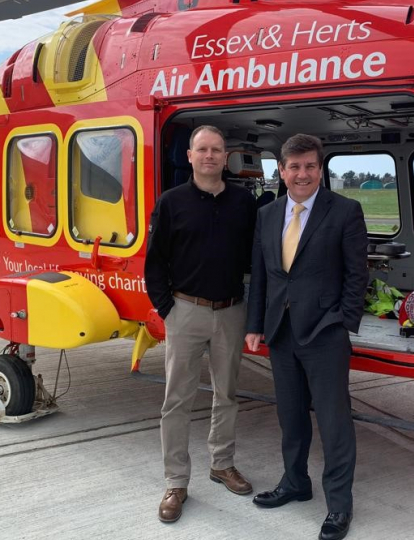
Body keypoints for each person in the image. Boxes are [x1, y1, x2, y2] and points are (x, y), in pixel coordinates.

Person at [245, 134, 368, 540]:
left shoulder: (346, 211)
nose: (302, 174)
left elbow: (357, 275)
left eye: (310, 166)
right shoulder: (268, 214)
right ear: (281, 170)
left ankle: (338, 506)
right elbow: (262, 274)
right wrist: (254, 324)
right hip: (280, 333)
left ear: (320, 169)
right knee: (290, 418)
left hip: (325, 333)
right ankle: (295, 482)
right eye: (294, 167)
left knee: (334, 424)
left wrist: (342, 322)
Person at [144, 125, 257, 523]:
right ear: (189, 156)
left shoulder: (244, 203)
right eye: (202, 149)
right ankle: (176, 481)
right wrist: (167, 308)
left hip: (230, 311)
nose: (210, 156)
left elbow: (254, 261)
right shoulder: (172, 202)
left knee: (226, 393)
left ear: (226, 158)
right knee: (177, 400)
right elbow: (154, 262)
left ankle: (221, 463)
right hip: (185, 311)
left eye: (217, 150)